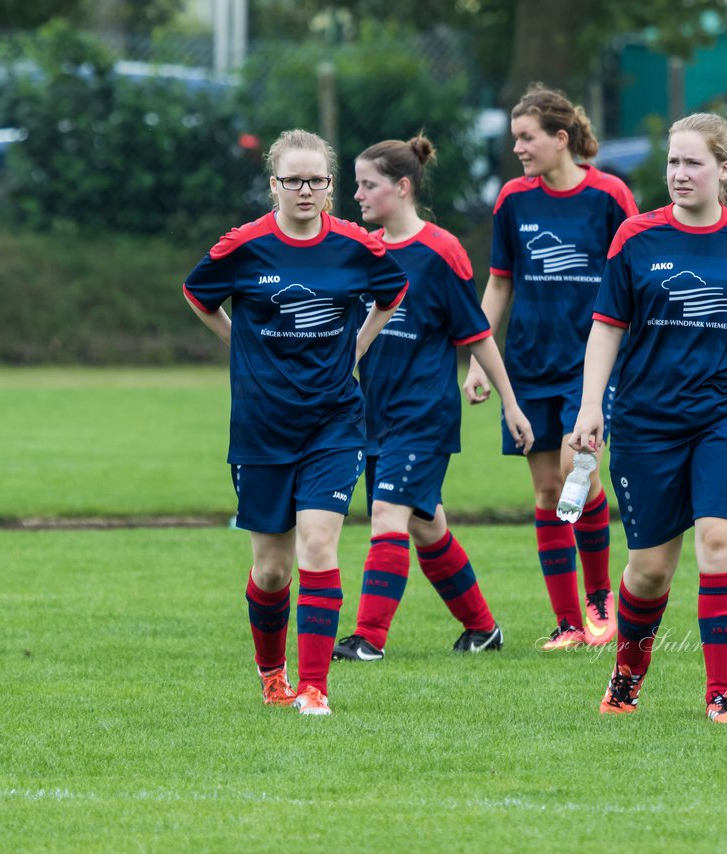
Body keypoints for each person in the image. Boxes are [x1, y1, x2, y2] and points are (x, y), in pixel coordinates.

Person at [569, 112, 727, 723]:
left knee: (721, 543)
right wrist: (592, 407)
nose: (679, 174)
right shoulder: (636, 238)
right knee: (648, 570)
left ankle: (724, 697)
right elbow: (606, 328)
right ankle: (626, 678)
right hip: (646, 420)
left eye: (692, 162)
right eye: (672, 162)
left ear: (725, 170)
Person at [183, 128, 408, 716]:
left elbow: (393, 291)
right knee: (272, 566)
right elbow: (197, 294)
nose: (305, 191)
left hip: (334, 420)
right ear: (274, 184)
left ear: (330, 185)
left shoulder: (357, 246)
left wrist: (358, 347)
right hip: (260, 426)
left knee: (316, 543)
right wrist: (238, 343)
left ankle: (314, 689)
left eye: (317, 180)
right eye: (293, 180)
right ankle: (272, 674)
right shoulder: (244, 245)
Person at [330, 134, 533, 663]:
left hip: (422, 414)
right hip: (371, 413)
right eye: (356, 185)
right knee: (426, 526)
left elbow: (475, 333)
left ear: (401, 187)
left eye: (368, 185)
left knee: (387, 517)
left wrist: (510, 402)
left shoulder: (441, 251)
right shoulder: (363, 250)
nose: (358, 195)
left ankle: (368, 638)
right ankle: (483, 629)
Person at [463, 85, 638, 651]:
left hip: (589, 366)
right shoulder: (513, 199)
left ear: (561, 139)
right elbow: (499, 282)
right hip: (528, 364)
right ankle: (568, 625)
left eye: (526, 137)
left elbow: (637, 276)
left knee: (576, 474)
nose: (517, 148)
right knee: (545, 492)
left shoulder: (610, 195)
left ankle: (600, 604)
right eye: (514, 137)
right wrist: (480, 361)